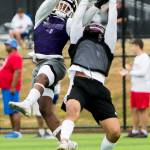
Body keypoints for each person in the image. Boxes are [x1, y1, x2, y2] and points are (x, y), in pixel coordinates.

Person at [59, 0, 120, 149]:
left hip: (99, 90)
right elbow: (78, 18)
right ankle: (64, 142)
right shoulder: (78, 40)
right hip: (80, 84)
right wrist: (85, 1)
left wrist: (112, 3)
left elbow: (112, 22)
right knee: (72, 111)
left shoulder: (108, 45)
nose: (96, 29)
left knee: (114, 132)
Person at [120, 39, 150, 138]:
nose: (132, 48)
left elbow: (142, 73)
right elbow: (136, 71)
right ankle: (135, 130)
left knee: (142, 110)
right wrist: (129, 69)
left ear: (138, 46)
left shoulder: (145, 58)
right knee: (134, 109)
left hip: (143, 89)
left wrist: (129, 72)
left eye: (133, 46)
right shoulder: (137, 58)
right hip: (135, 89)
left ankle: (144, 131)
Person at [0, 38, 23, 138]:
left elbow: (17, 71)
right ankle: (14, 131)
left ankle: (17, 132)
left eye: (8, 45)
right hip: (6, 88)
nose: (6, 46)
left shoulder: (15, 57)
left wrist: (13, 86)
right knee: (10, 110)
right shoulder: (10, 56)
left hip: (11, 88)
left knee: (14, 110)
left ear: (13, 46)